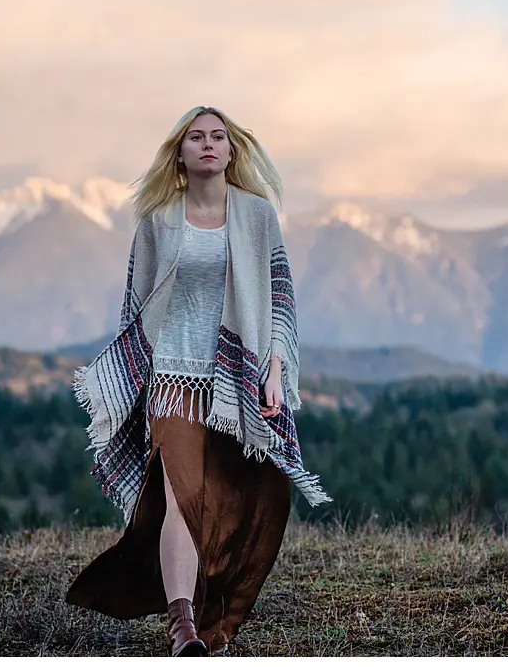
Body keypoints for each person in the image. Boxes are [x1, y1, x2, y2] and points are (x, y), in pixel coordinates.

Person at [65, 106, 331, 656]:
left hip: (236, 382)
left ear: (233, 151)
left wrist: (276, 369)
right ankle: (181, 627)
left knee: (253, 496)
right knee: (181, 496)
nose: (208, 144)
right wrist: (133, 380)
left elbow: (280, 300)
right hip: (170, 380)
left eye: (218, 137)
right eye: (196, 137)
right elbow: (135, 306)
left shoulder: (257, 217)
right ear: (180, 152)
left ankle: (218, 621)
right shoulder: (158, 222)